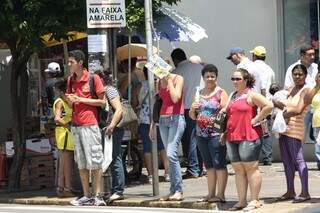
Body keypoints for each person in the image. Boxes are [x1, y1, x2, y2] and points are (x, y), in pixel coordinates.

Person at [224, 68, 273, 211]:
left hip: (248, 135)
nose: (235, 81)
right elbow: (229, 115)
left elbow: (268, 106)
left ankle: (255, 200)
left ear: (246, 80)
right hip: (232, 136)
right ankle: (241, 201)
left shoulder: (251, 94)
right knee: (238, 169)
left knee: (251, 168)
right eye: (233, 78)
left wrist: (256, 119)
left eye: (238, 79)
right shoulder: (233, 95)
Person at [66, 50, 107, 206]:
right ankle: (86, 195)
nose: (69, 64)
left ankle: (98, 195)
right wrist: (70, 100)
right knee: (81, 162)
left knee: (95, 161)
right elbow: (71, 103)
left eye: (71, 62)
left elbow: (103, 102)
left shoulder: (93, 78)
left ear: (80, 62)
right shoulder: (70, 80)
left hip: (90, 124)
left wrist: (80, 99)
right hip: (76, 125)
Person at [274, 64, 316, 203]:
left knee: (298, 161)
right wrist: (277, 104)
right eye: (295, 74)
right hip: (284, 128)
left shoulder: (306, 90)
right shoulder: (291, 89)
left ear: (305, 75)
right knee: (286, 162)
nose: (297, 77)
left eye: (300, 74)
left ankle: (305, 192)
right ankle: (290, 191)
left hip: (295, 129)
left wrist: (279, 106)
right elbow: (286, 106)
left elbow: (298, 110)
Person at [189, 64, 228, 203]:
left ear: (216, 77)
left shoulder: (221, 92)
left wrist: (223, 131)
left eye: (212, 76)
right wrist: (192, 109)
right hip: (201, 134)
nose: (210, 79)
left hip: (216, 134)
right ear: (203, 78)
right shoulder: (199, 93)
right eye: (207, 76)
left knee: (219, 163)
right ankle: (210, 194)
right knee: (209, 165)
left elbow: (226, 111)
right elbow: (192, 116)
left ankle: (221, 194)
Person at [171, 48, 203, 179]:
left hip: (186, 108)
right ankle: (200, 167)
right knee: (200, 137)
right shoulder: (200, 68)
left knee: (189, 139)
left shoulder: (176, 72)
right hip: (202, 106)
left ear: (175, 60)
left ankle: (193, 168)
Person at [138, 67, 169, 183]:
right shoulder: (161, 84)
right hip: (159, 117)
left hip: (144, 119)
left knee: (147, 148)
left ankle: (151, 175)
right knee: (163, 146)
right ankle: (167, 173)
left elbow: (136, 103)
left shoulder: (140, 86)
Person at [158, 71, 185, 201]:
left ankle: (178, 190)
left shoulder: (178, 78)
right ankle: (172, 190)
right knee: (169, 155)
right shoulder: (158, 81)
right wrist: (153, 124)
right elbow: (158, 102)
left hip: (176, 118)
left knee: (171, 153)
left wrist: (168, 80)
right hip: (163, 119)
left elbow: (175, 98)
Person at [284, 45, 318, 143]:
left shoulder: (316, 68)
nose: (312, 57)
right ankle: (298, 156)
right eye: (309, 55)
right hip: (301, 108)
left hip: (316, 107)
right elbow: (288, 88)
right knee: (299, 135)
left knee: (317, 136)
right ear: (302, 55)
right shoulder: (293, 68)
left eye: (313, 54)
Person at [100, 72, 125, 204]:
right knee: (111, 158)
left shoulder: (109, 90)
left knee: (114, 157)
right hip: (110, 128)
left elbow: (119, 109)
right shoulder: (106, 91)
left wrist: (112, 125)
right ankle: (114, 189)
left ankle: (118, 190)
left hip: (113, 129)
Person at [251, 45, 276, 165]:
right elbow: (272, 87)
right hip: (267, 105)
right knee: (266, 131)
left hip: (255, 104)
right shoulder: (270, 69)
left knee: (254, 130)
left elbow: (261, 88)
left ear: (254, 55)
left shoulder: (251, 68)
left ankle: (253, 156)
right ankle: (268, 157)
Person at [53, 79, 74, 198]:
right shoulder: (60, 102)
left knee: (64, 163)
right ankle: (66, 188)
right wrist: (68, 126)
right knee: (66, 163)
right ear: (62, 91)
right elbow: (57, 118)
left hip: (67, 134)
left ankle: (61, 188)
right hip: (64, 134)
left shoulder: (65, 101)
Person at [311, 67, 320, 170]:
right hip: (316, 121)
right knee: (318, 144)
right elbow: (309, 100)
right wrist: (316, 85)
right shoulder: (315, 89)